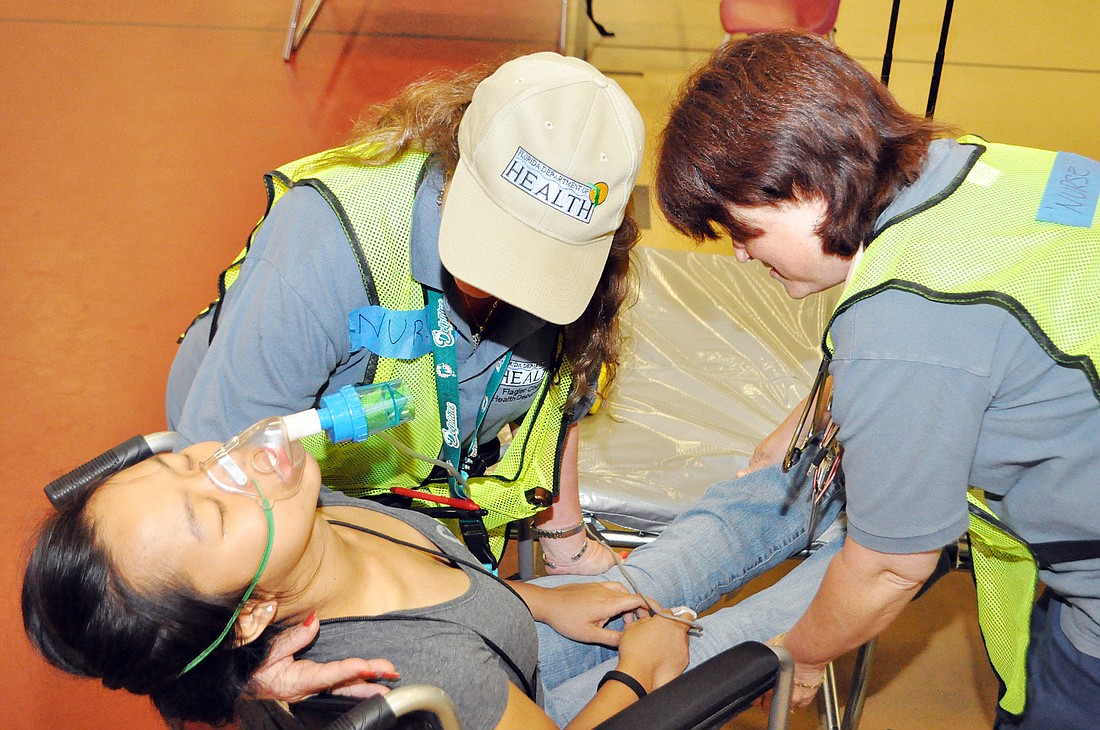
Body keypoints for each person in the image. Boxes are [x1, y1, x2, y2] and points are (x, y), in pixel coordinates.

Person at [656, 30, 1100, 729]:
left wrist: (801, 655)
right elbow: (980, 328)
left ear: (806, 191)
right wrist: (819, 408)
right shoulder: (979, 169)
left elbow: (890, 567)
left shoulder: (900, 332)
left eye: (741, 229)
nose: (740, 256)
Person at [23, 414, 844, 728]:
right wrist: (635, 679)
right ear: (248, 616)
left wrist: (540, 604)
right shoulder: (415, 678)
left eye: (186, 464)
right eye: (214, 511)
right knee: (788, 618)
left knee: (696, 545)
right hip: (542, 702)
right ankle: (874, 545)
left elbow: (441, 577)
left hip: (511, 632)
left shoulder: (319, 518)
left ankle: (832, 472)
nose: (229, 465)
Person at [167, 51, 639, 581]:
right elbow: (222, 484)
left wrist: (565, 542)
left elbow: (560, 404)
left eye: (541, 256)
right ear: (456, 155)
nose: (507, 281)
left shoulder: (587, 274)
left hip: (415, 499)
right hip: (275, 499)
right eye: (496, 234)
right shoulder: (324, 241)